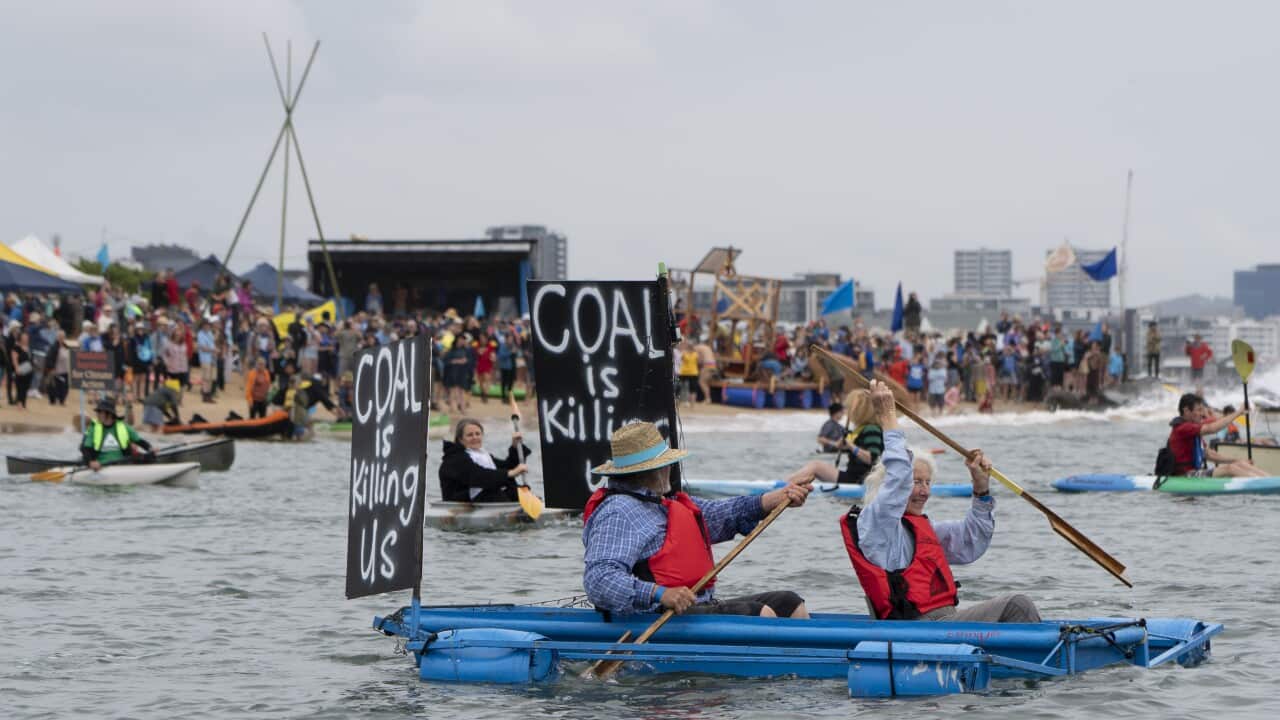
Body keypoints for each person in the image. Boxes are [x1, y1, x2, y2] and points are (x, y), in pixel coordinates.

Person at [840, 379, 1041, 623]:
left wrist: (980, 487)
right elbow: (898, 479)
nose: (923, 491)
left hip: (945, 622)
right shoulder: (875, 522)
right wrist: (888, 417)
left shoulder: (926, 531)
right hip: (917, 629)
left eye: (927, 483)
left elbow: (972, 539)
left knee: (1017, 605)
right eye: (916, 482)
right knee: (1017, 605)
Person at [583, 421, 812, 618]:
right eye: (665, 465)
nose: (669, 470)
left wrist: (774, 499)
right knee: (762, 615)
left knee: (791, 604)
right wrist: (660, 593)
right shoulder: (618, 511)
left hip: (697, 608)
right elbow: (599, 580)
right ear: (649, 471)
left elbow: (722, 514)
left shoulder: (666, 502)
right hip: (655, 617)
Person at [788, 389, 883, 485]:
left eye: (850, 408)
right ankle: (789, 483)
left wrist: (851, 446)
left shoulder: (872, 429)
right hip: (853, 476)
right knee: (815, 465)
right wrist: (843, 445)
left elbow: (872, 459)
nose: (847, 412)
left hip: (860, 479)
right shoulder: (860, 429)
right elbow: (852, 449)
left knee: (815, 466)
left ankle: (786, 485)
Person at [1164, 393, 1265, 477]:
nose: (1202, 414)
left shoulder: (1192, 430)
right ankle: (1263, 483)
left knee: (1240, 464)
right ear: (1186, 411)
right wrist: (1239, 412)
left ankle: (1270, 479)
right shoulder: (1182, 428)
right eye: (1199, 410)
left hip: (1196, 472)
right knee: (1230, 468)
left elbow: (1209, 454)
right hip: (1185, 475)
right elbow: (1211, 428)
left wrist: (1236, 460)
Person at [438, 418, 530, 503]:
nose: (475, 437)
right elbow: (479, 476)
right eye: (470, 435)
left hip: (482, 499)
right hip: (458, 504)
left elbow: (507, 467)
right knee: (495, 493)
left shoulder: (481, 454)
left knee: (518, 491)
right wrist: (510, 473)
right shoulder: (455, 458)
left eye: (478, 434)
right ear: (461, 440)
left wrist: (515, 447)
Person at [81, 396, 154, 470]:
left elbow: (139, 441)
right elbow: (85, 448)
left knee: (147, 457)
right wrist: (91, 462)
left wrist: (150, 448)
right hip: (100, 466)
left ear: (109, 414)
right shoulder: (94, 428)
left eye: (100, 412)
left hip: (121, 465)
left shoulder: (124, 426)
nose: (97, 414)